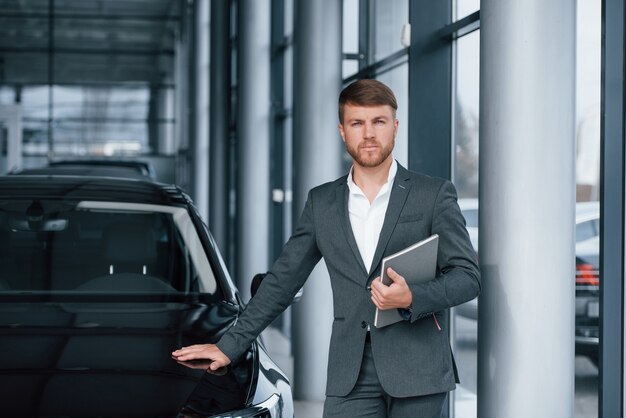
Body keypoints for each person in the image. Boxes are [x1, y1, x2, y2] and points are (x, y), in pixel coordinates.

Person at [172, 79, 480, 418]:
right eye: (356, 123)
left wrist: (412, 298)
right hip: (351, 373)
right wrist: (229, 346)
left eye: (378, 121)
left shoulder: (433, 194)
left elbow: (468, 277)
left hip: (419, 369)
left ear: (395, 126)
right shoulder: (322, 203)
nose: (368, 133)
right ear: (342, 131)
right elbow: (282, 281)